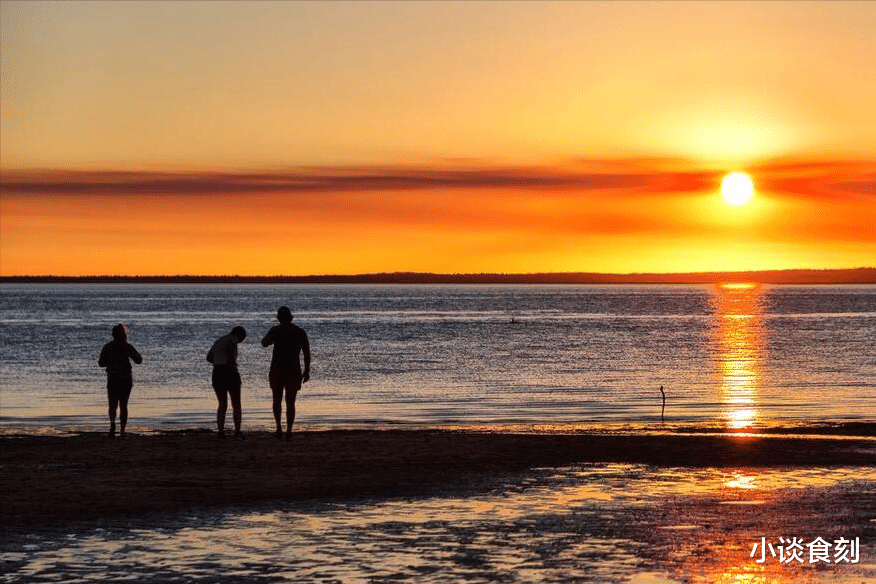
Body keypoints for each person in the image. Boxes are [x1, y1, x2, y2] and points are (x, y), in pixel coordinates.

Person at [262, 306, 310, 438]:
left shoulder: (275, 330)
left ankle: (278, 428)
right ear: (290, 317)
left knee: (276, 400)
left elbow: (264, 343)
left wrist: (271, 337)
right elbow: (306, 353)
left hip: (277, 369)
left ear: (278, 318)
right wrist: (306, 370)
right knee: (291, 401)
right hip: (294, 369)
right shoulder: (299, 331)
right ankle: (289, 430)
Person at [98, 324, 143, 438]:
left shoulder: (108, 347)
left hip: (113, 378)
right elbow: (138, 360)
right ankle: (122, 431)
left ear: (113, 335)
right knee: (124, 405)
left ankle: (112, 426)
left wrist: (111, 362)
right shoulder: (127, 346)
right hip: (125, 379)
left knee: (112, 405)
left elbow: (101, 363)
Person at [207, 326, 247, 440]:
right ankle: (237, 431)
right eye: (243, 338)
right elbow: (230, 349)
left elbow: (209, 357)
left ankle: (220, 432)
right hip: (229, 372)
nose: (242, 341)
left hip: (217, 372)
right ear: (239, 335)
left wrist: (218, 361)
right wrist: (232, 362)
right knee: (236, 404)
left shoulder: (220, 340)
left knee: (222, 404)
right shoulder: (232, 340)